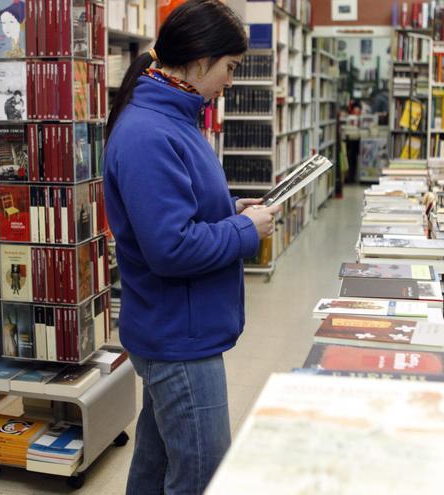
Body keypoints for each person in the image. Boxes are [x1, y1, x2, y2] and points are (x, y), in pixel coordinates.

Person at [102, 1, 280, 493]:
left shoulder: (175, 116)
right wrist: (246, 231)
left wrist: (232, 207)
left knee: (156, 465)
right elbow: (170, 247)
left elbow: (182, 205)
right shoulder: (149, 132)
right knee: (202, 472)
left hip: (178, 325)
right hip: (178, 336)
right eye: (230, 68)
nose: (230, 81)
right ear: (200, 61)